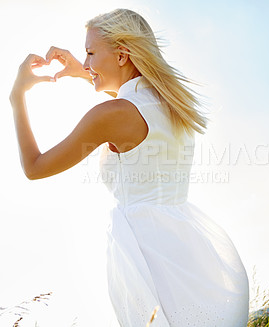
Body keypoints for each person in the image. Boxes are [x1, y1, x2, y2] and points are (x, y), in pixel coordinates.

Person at [9, 8, 249, 327]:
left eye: (91, 53)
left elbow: (35, 167)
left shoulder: (112, 115)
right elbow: (128, 100)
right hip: (188, 253)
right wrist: (85, 72)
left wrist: (16, 97)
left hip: (148, 259)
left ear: (122, 54)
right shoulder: (169, 102)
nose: (86, 63)